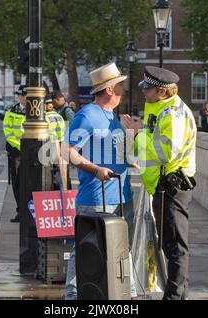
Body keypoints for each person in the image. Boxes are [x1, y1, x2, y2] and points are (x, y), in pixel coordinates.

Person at [62, 62, 137, 300]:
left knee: (122, 249)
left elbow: (121, 153)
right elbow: (68, 152)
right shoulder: (87, 115)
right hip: (96, 197)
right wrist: (95, 170)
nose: (124, 90)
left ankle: (128, 294)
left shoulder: (114, 117)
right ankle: (72, 298)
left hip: (122, 196)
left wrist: (131, 135)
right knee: (85, 251)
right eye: (121, 86)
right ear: (110, 90)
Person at [121, 66, 197, 300]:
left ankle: (174, 296)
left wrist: (138, 133)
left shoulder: (173, 113)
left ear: (162, 91)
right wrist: (134, 135)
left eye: (148, 88)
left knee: (175, 247)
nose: (143, 92)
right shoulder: (161, 109)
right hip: (162, 187)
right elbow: (143, 150)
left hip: (172, 186)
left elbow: (167, 152)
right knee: (169, 245)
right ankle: (177, 293)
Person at [2, 85, 27, 223]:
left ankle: (31, 211)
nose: (23, 97)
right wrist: (22, 146)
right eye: (21, 95)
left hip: (34, 153)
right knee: (17, 183)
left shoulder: (38, 111)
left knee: (33, 182)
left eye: (25, 94)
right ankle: (20, 211)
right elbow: (9, 134)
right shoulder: (11, 112)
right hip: (17, 153)